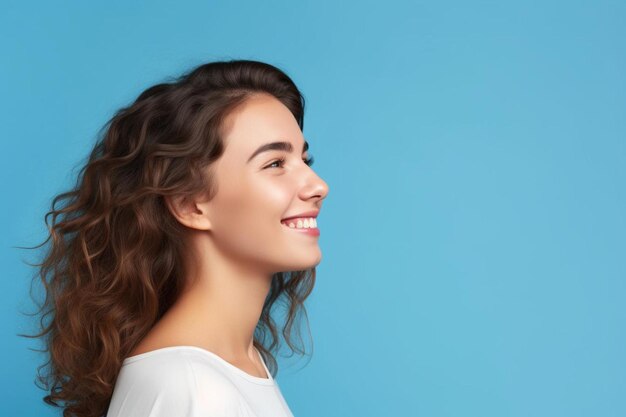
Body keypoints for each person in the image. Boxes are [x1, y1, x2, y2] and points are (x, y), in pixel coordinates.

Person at [23, 59, 329, 417]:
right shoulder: (190, 388)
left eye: (304, 160)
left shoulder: (233, 367)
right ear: (190, 205)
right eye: (275, 163)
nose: (318, 185)